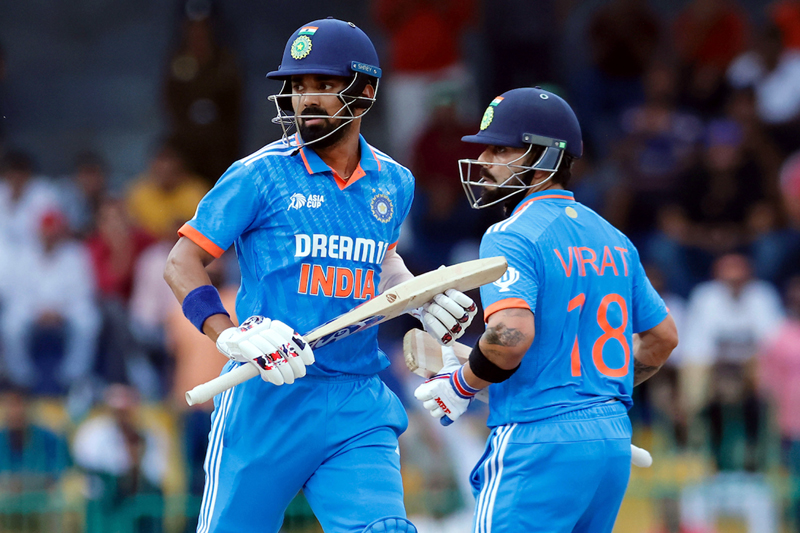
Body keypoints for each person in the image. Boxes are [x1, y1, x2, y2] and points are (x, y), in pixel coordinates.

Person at [163, 18, 477, 533]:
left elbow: (382, 263)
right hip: (268, 395)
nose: (307, 98)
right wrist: (228, 335)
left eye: (324, 84)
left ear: (365, 92)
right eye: (299, 85)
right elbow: (180, 262)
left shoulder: (395, 181)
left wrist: (419, 296)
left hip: (356, 397)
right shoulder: (258, 174)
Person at [413, 87, 679, 532]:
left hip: (537, 439)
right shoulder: (614, 237)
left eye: (501, 149)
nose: (484, 160)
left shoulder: (510, 234)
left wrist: (461, 385)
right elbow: (662, 338)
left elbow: (511, 337)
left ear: (545, 159)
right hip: (611, 437)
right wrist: (591, 399)